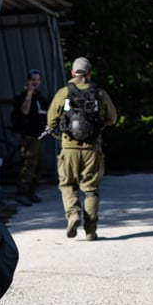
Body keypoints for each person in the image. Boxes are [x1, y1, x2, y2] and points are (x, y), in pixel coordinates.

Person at [46, 56, 118, 241]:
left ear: (72, 73)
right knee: (91, 189)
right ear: (89, 73)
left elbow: (51, 120)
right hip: (92, 149)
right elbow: (113, 118)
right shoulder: (99, 93)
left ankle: (72, 214)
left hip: (68, 148)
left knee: (67, 184)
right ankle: (90, 231)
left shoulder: (63, 93)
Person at [11, 69, 50, 205]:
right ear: (28, 81)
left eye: (37, 80)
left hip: (40, 135)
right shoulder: (24, 96)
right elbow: (24, 111)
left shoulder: (41, 97)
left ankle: (31, 192)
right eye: (33, 80)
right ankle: (21, 192)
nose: (35, 82)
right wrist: (29, 94)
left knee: (38, 165)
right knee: (28, 164)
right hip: (28, 135)